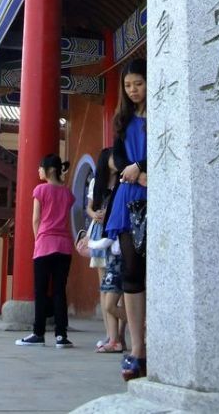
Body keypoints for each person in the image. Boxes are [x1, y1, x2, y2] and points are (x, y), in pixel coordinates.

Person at [93, 58, 148, 380]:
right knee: (131, 271)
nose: (133, 90)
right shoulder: (123, 119)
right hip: (128, 198)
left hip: (154, 191)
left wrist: (141, 166)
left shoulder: (163, 109)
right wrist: (135, 170)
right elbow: (118, 154)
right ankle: (137, 350)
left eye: (138, 84)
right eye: (128, 86)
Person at [15, 154, 75, 348]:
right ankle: (61, 335)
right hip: (64, 246)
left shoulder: (40, 189)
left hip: (45, 244)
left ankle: (38, 333)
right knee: (59, 291)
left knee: (40, 291)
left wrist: (38, 239)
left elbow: (36, 219)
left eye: (41, 167)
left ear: (50, 170)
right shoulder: (67, 193)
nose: (38, 170)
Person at [87, 148, 126, 352]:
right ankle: (111, 335)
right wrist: (94, 214)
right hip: (99, 233)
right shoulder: (97, 183)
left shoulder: (123, 180)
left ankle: (120, 335)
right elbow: (89, 207)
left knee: (120, 291)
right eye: (113, 157)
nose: (117, 160)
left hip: (116, 236)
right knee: (105, 288)